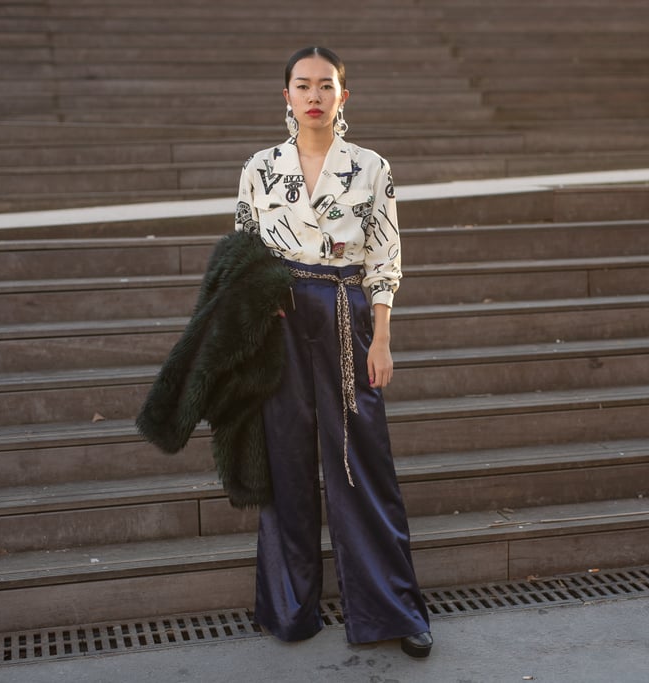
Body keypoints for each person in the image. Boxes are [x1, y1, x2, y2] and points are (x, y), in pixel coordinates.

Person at [234, 46, 433, 658]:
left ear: (343, 96)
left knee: (360, 465)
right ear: (286, 96)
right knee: (286, 461)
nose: (314, 95)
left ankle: (394, 610)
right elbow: (242, 250)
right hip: (281, 320)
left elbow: (385, 257)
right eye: (303, 85)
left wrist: (384, 338)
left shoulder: (371, 167)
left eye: (326, 85)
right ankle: (290, 608)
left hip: (347, 314)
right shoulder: (259, 168)